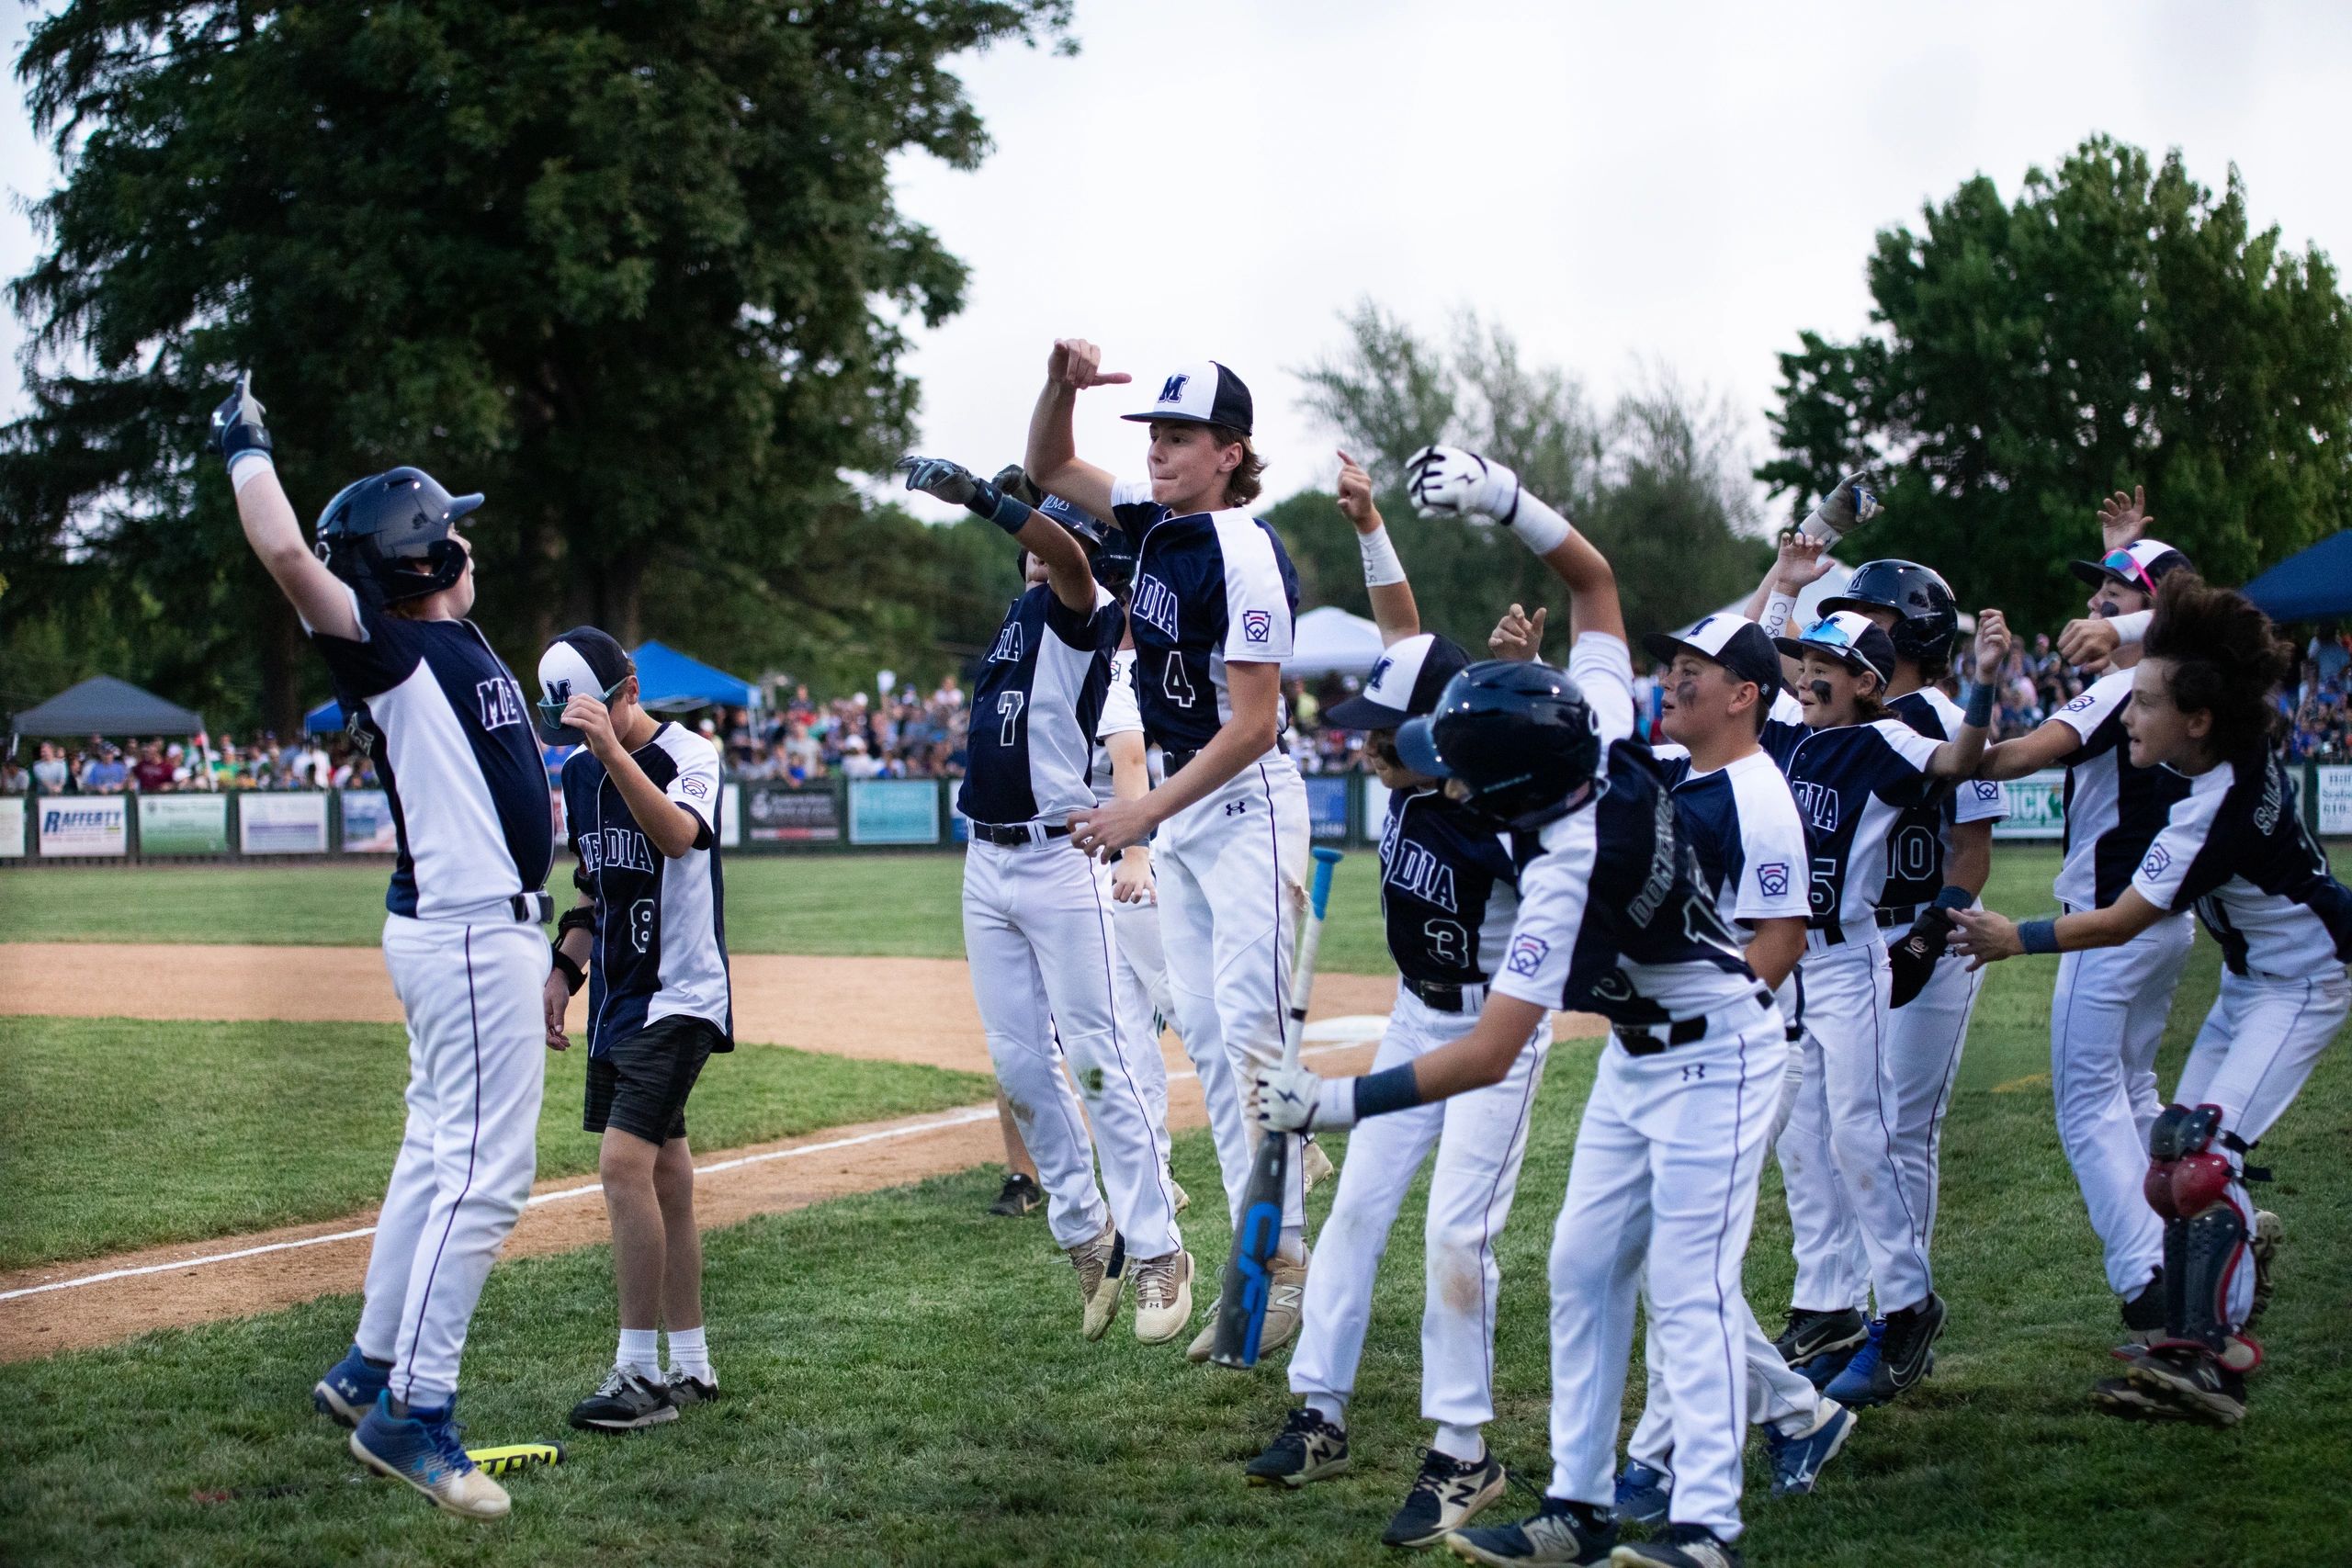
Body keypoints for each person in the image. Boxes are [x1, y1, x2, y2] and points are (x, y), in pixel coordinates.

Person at [1258, 444, 1788, 1568]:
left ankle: (1705, 1533)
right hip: (1641, 1058)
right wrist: (1505, 500)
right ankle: (1579, 1511)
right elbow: (1592, 584)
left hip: (1725, 1051)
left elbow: (1495, 1050)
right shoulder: (1587, 728)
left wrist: (1337, 1104)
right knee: (1579, 1271)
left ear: (1496, 790)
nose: (1426, 773)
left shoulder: (1556, 867)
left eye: (1448, 765)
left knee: (1686, 1290)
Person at [213, 373, 553, 1521]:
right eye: (448, 528)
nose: (465, 539)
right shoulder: (391, 648)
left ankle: (368, 1364)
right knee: (484, 1178)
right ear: (418, 557)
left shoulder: (445, 638)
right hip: (466, 935)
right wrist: (245, 440)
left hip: (461, 930)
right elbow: (282, 550)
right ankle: (413, 1413)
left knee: (433, 1156)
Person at [1243, 453, 1551, 1549]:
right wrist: (1371, 521)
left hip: (1497, 1030)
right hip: (1420, 1015)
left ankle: (1465, 1454)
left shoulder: (1511, 814)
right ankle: (1319, 1412)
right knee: (1361, 1210)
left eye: (1385, 726)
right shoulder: (1411, 769)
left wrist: (1525, 696)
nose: (1362, 739)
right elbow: (1405, 628)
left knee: (1457, 1234)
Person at [1952, 574, 2344, 1426]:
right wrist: (2122, 620)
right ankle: (2209, 1331)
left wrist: (2014, 936)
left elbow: (2124, 919)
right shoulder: (2228, 747)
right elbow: (2230, 621)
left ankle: (2209, 1354)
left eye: (2146, 702)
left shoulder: (2208, 813)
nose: (2127, 714)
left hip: (2306, 982)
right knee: (2172, 1148)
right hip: (2251, 979)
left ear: (2194, 721)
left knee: (2205, 1157)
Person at [1026, 343, 1315, 1359]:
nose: (1158, 451)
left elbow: (1253, 726)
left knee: (1244, 1044)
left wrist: (1138, 814)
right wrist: (1061, 386)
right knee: (1206, 1037)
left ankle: (1284, 1274)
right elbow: (1050, 469)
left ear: (1232, 453)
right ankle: (1257, 1269)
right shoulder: (1151, 530)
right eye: (1152, 434)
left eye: (1180, 436)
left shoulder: (1245, 550)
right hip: (1191, 812)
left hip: (1244, 804)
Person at [897, 455, 1191, 1344]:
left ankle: (1158, 1249)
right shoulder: (1022, 617)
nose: (1039, 542)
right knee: (1021, 1066)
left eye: (1060, 527)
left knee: (1098, 1062)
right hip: (986, 863)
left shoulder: (1083, 608)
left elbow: (1063, 559)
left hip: (1059, 862)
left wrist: (988, 503)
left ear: (1092, 554)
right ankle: (1083, 1231)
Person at [1608, 611, 1855, 1526]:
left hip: (1742, 1054)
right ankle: (1794, 1415)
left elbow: (1779, 942)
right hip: (1688, 1051)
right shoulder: (1686, 774)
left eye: (1692, 671)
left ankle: (1658, 1466)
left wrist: (1695, 1030)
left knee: (1681, 1267)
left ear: (1743, 695)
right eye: (1670, 666)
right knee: (1670, 1262)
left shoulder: (1758, 796)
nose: (1670, 682)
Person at [1763, 595, 2011, 1410]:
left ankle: (1908, 1307)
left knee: (1863, 1134)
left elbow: (1961, 761)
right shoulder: (1791, 736)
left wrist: (1981, 684)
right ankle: (1830, 1309)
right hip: (1797, 966)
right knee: (1804, 1131)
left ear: (1867, 682)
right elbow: (1752, 664)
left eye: (1824, 670)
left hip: (1852, 965)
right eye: (1805, 667)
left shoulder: (1883, 738)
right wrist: (1789, 584)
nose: (1806, 679)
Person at [1967, 505, 2199, 1337]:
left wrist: (1970, 697)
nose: (2098, 600)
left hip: (2107, 922)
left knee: (2084, 1103)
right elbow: (2152, 604)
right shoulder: (2182, 683)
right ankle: (2191, 1249)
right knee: (2132, 1091)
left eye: (2113, 588)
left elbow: (2007, 759)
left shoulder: (2119, 687)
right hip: (2165, 922)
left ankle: (2148, 1284)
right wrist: (2126, 556)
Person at [538, 627, 733, 1433]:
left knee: (622, 1165)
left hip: (681, 995)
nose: (578, 734)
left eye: (590, 712)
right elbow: (593, 889)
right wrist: (563, 971)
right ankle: (690, 1363)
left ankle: (638, 1372)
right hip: (620, 1000)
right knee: (665, 1178)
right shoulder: (582, 772)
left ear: (628, 689)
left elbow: (678, 835)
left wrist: (610, 754)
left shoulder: (691, 752)